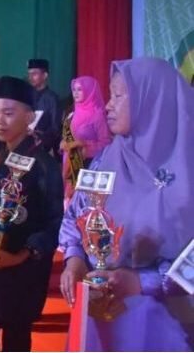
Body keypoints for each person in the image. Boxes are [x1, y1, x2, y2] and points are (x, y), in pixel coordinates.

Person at [59, 57, 194, 351]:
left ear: (154, 102)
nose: (108, 105)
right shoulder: (105, 160)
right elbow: (76, 217)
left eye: (119, 96)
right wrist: (75, 259)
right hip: (101, 318)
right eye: (110, 95)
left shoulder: (188, 170)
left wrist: (141, 282)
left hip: (168, 322)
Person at [0, 76, 63, 352]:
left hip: (21, 268)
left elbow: (54, 222)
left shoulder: (45, 165)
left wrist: (22, 254)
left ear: (29, 118)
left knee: (16, 339)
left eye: (8, 113)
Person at [60, 76, 112, 200]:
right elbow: (67, 138)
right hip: (69, 166)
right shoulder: (72, 113)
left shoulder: (97, 115)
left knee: (82, 202)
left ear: (89, 91)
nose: (76, 93)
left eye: (80, 89)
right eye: (74, 90)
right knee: (68, 202)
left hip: (88, 166)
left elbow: (106, 143)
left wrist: (84, 146)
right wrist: (63, 144)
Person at [27, 59, 62, 155]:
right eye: (29, 74)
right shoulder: (26, 95)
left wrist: (39, 136)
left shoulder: (52, 98)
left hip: (43, 146)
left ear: (45, 75)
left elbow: (55, 127)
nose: (30, 77)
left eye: (34, 74)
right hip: (25, 143)